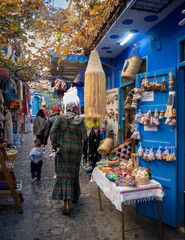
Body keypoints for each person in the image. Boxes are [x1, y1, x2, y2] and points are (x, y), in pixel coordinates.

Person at [50, 102, 87, 215]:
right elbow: (84, 136)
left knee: (63, 174)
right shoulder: (80, 120)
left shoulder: (61, 118)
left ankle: (66, 203)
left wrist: (56, 145)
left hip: (63, 149)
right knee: (73, 173)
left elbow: (52, 131)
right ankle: (74, 196)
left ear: (67, 108)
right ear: (75, 109)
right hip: (76, 150)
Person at [48, 106, 60, 179]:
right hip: (62, 140)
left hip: (55, 141)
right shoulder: (62, 118)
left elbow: (50, 131)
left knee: (57, 157)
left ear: (53, 111)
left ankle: (57, 173)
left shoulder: (51, 119)